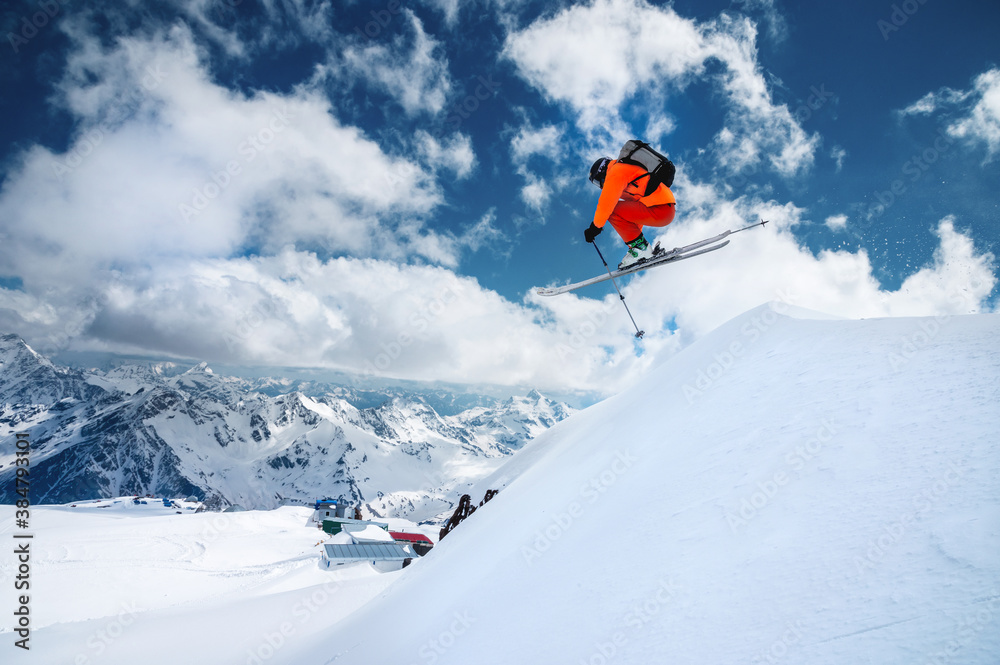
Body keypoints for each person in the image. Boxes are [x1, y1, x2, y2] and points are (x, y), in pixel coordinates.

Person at [584, 155, 676, 269]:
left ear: (601, 173)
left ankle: (641, 248)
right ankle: (640, 248)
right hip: (664, 209)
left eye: (599, 182)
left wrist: (594, 228)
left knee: (611, 210)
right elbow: (635, 212)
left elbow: (606, 203)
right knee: (617, 209)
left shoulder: (616, 171)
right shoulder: (626, 170)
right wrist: (635, 243)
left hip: (660, 209)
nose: (601, 186)